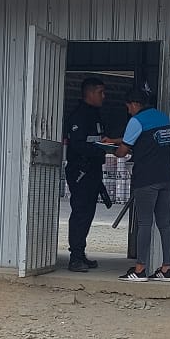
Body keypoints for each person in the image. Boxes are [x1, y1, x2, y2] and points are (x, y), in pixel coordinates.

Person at [107, 90, 170, 281]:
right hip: (167, 177)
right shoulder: (163, 117)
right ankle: (166, 269)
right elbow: (143, 137)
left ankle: (140, 270)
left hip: (147, 179)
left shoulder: (136, 121)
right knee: (165, 224)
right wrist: (114, 140)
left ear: (134, 104)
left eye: (128, 107)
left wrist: (111, 149)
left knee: (145, 223)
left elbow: (123, 151)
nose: (128, 111)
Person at [64, 77, 108, 272]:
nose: (103, 96)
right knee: (80, 213)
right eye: (100, 92)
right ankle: (75, 257)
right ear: (89, 93)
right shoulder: (79, 115)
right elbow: (77, 145)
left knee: (88, 213)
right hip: (80, 171)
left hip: (93, 171)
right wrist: (100, 150)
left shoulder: (95, 114)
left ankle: (80, 253)